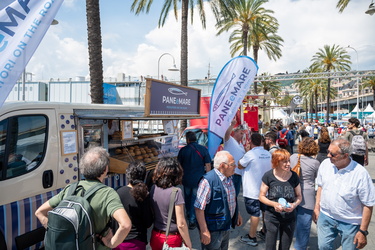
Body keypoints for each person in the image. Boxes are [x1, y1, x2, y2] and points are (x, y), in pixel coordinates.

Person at [35, 147, 132, 249]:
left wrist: (59, 232)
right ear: (105, 169)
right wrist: (111, 243)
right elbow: (125, 225)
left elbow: (39, 212)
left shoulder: (70, 189)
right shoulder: (107, 193)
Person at [313, 138, 375, 250]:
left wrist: (363, 231)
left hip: (350, 222)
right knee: (323, 247)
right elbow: (321, 186)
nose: (328, 156)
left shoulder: (360, 174)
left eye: (332, 154)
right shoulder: (325, 164)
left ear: (345, 155)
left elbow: (368, 204)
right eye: (328, 151)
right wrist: (317, 207)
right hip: (326, 217)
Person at [194, 151, 243, 250]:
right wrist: (204, 231)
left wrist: (237, 214)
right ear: (222, 166)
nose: (235, 167)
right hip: (213, 229)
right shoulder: (207, 181)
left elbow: (232, 197)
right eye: (232, 164)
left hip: (226, 225)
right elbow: (199, 208)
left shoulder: (229, 178)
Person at [259, 149, 302, 250]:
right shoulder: (268, 176)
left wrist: (294, 205)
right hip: (272, 216)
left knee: (285, 247)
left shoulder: (294, 176)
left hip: (289, 216)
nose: (288, 164)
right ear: (276, 162)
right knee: (270, 246)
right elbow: (261, 196)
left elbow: (299, 196)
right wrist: (274, 204)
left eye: (289, 161)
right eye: (285, 161)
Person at [149, 157, 192, 250]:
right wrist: (189, 244)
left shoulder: (153, 188)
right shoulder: (176, 192)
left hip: (155, 236)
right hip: (171, 239)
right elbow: (181, 224)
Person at [238, 133, 272, 246]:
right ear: (262, 142)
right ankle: (264, 231)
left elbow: (240, 165)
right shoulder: (268, 154)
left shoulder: (250, 154)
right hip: (265, 190)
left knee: (254, 213)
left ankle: (252, 237)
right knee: (265, 211)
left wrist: (247, 152)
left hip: (252, 190)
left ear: (251, 142)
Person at [114, 162, 153, 250]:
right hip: (137, 242)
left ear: (128, 175)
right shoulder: (144, 195)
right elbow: (148, 223)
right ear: (143, 176)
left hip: (118, 240)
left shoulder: (118, 192)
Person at [290, 137, 320, 250]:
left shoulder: (293, 157)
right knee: (304, 225)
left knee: (293, 220)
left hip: (292, 192)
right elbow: (317, 178)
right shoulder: (315, 163)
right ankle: (300, 247)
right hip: (308, 195)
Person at [177, 131, 211, 229]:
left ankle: (189, 214)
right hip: (199, 179)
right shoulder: (203, 149)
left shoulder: (183, 150)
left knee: (187, 198)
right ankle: (192, 219)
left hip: (186, 179)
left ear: (187, 139)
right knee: (195, 199)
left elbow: (179, 166)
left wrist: (179, 178)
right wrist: (207, 179)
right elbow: (208, 165)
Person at [223, 118, 247, 197]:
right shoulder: (230, 140)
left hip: (238, 174)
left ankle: (234, 209)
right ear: (235, 132)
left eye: (243, 133)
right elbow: (226, 134)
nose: (242, 135)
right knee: (229, 196)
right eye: (241, 133)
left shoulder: (241, 145)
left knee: (235, 196)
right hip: (230, 173)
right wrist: (232, 125)